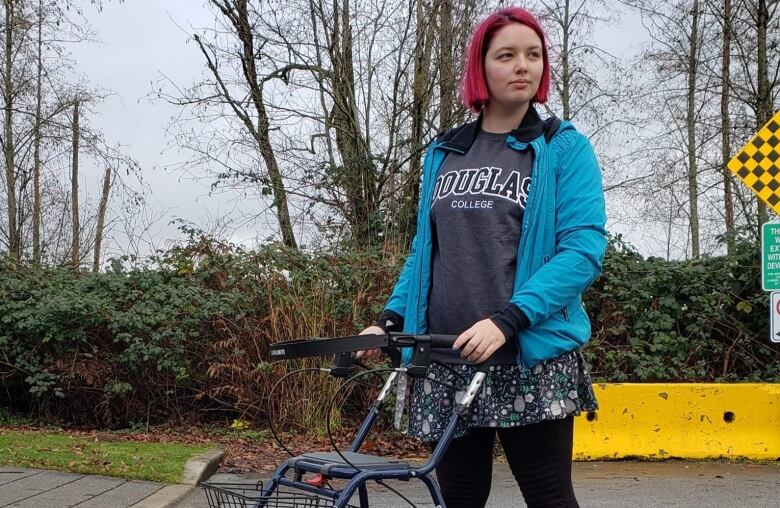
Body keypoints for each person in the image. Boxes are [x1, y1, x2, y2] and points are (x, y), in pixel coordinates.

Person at [357, 6, 607, 508]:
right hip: (445, 355)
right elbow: (425, 253)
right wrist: (388, 320)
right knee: (460, 497)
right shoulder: (445, 152)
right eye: (507, 55)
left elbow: (582, 251)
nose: (523, 66)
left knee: (549, 497)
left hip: (527, 356)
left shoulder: (564, 148)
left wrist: (507, 319)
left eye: (533, 55)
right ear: (480, 67)